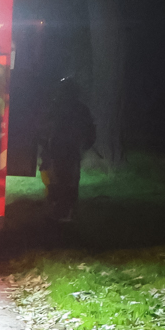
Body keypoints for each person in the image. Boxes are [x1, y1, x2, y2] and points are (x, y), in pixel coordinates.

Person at [38, 77, 97, 223]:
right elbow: (90, 130)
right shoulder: (81, 109)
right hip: (70, 150)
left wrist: (44, 145)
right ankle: (66, 211)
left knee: (58, 180)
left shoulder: (56, 107)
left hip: (59, 149)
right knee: (69, 180)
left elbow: (45, 127)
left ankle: (59, 211)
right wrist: (86, 144)